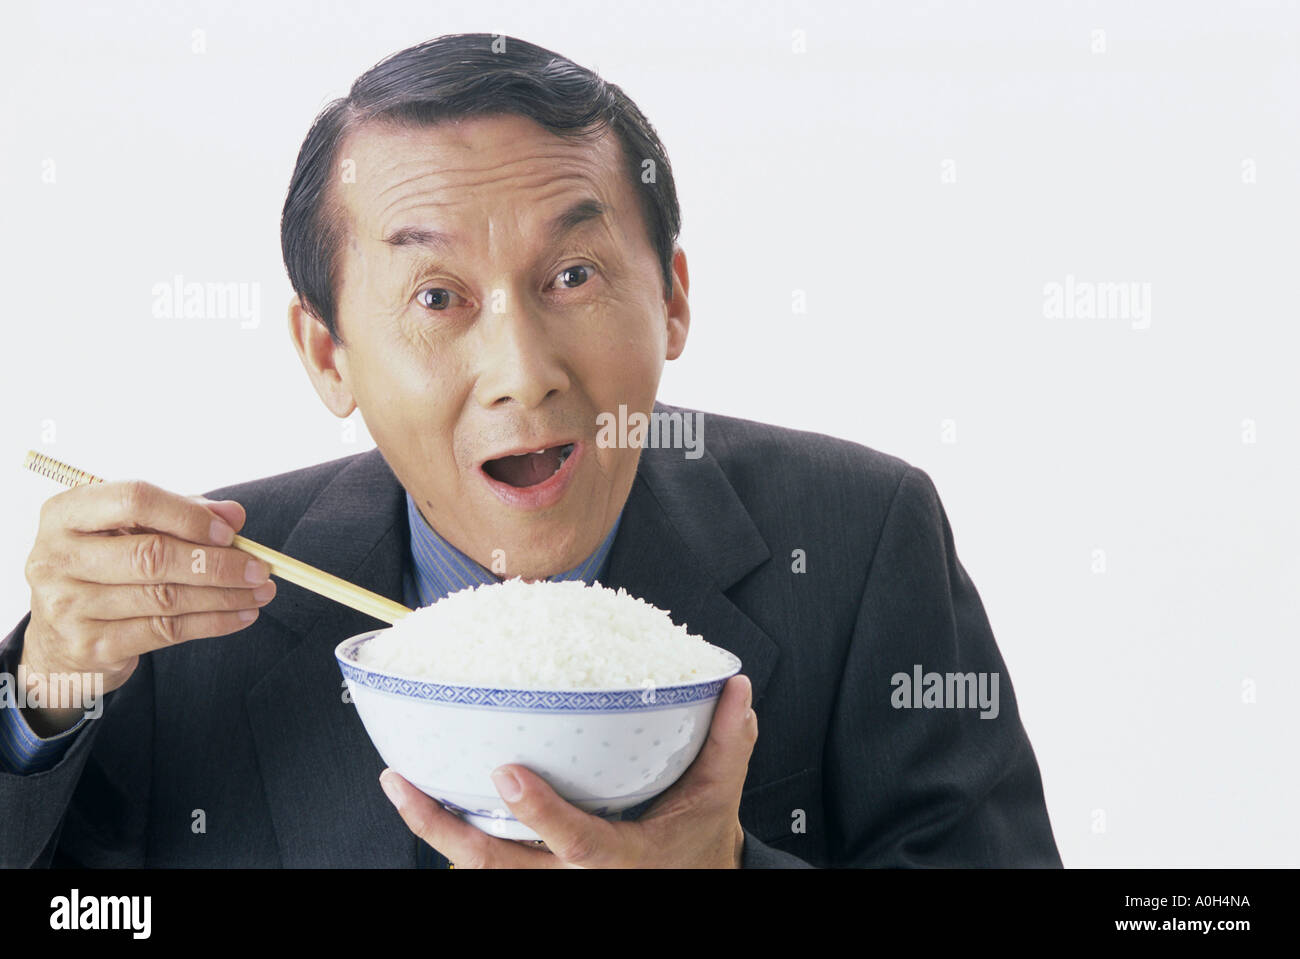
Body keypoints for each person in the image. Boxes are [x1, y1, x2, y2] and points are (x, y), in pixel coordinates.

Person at [0, 33, 1061, 868]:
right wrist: (41, 700)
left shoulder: (858, 539)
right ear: (329, 354)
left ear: (673, 298)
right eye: (434, 296)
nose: (521, 370)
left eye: (572, 277)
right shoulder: (194, 608)